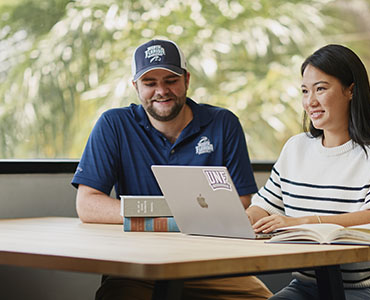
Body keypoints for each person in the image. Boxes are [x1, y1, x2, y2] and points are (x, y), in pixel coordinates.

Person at [71, 39, 272, 300]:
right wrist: (170, 220)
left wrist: (154, 217)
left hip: (213, 264)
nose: (161, 91)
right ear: (136, 87)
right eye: (150, 83)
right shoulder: (114, 124)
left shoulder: (223, 123)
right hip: (137, 266)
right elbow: (87, 205)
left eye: (170, 80)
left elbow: (242, 200)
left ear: (187, 80)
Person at [246, 44, 370, 300]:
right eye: (305, 91)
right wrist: (247, 219)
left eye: (321, 89)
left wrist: (305, 222)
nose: (310, 101)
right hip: (306, 286)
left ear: (350, 90)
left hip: (366, 289)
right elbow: (265, 205)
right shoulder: (295, 148)